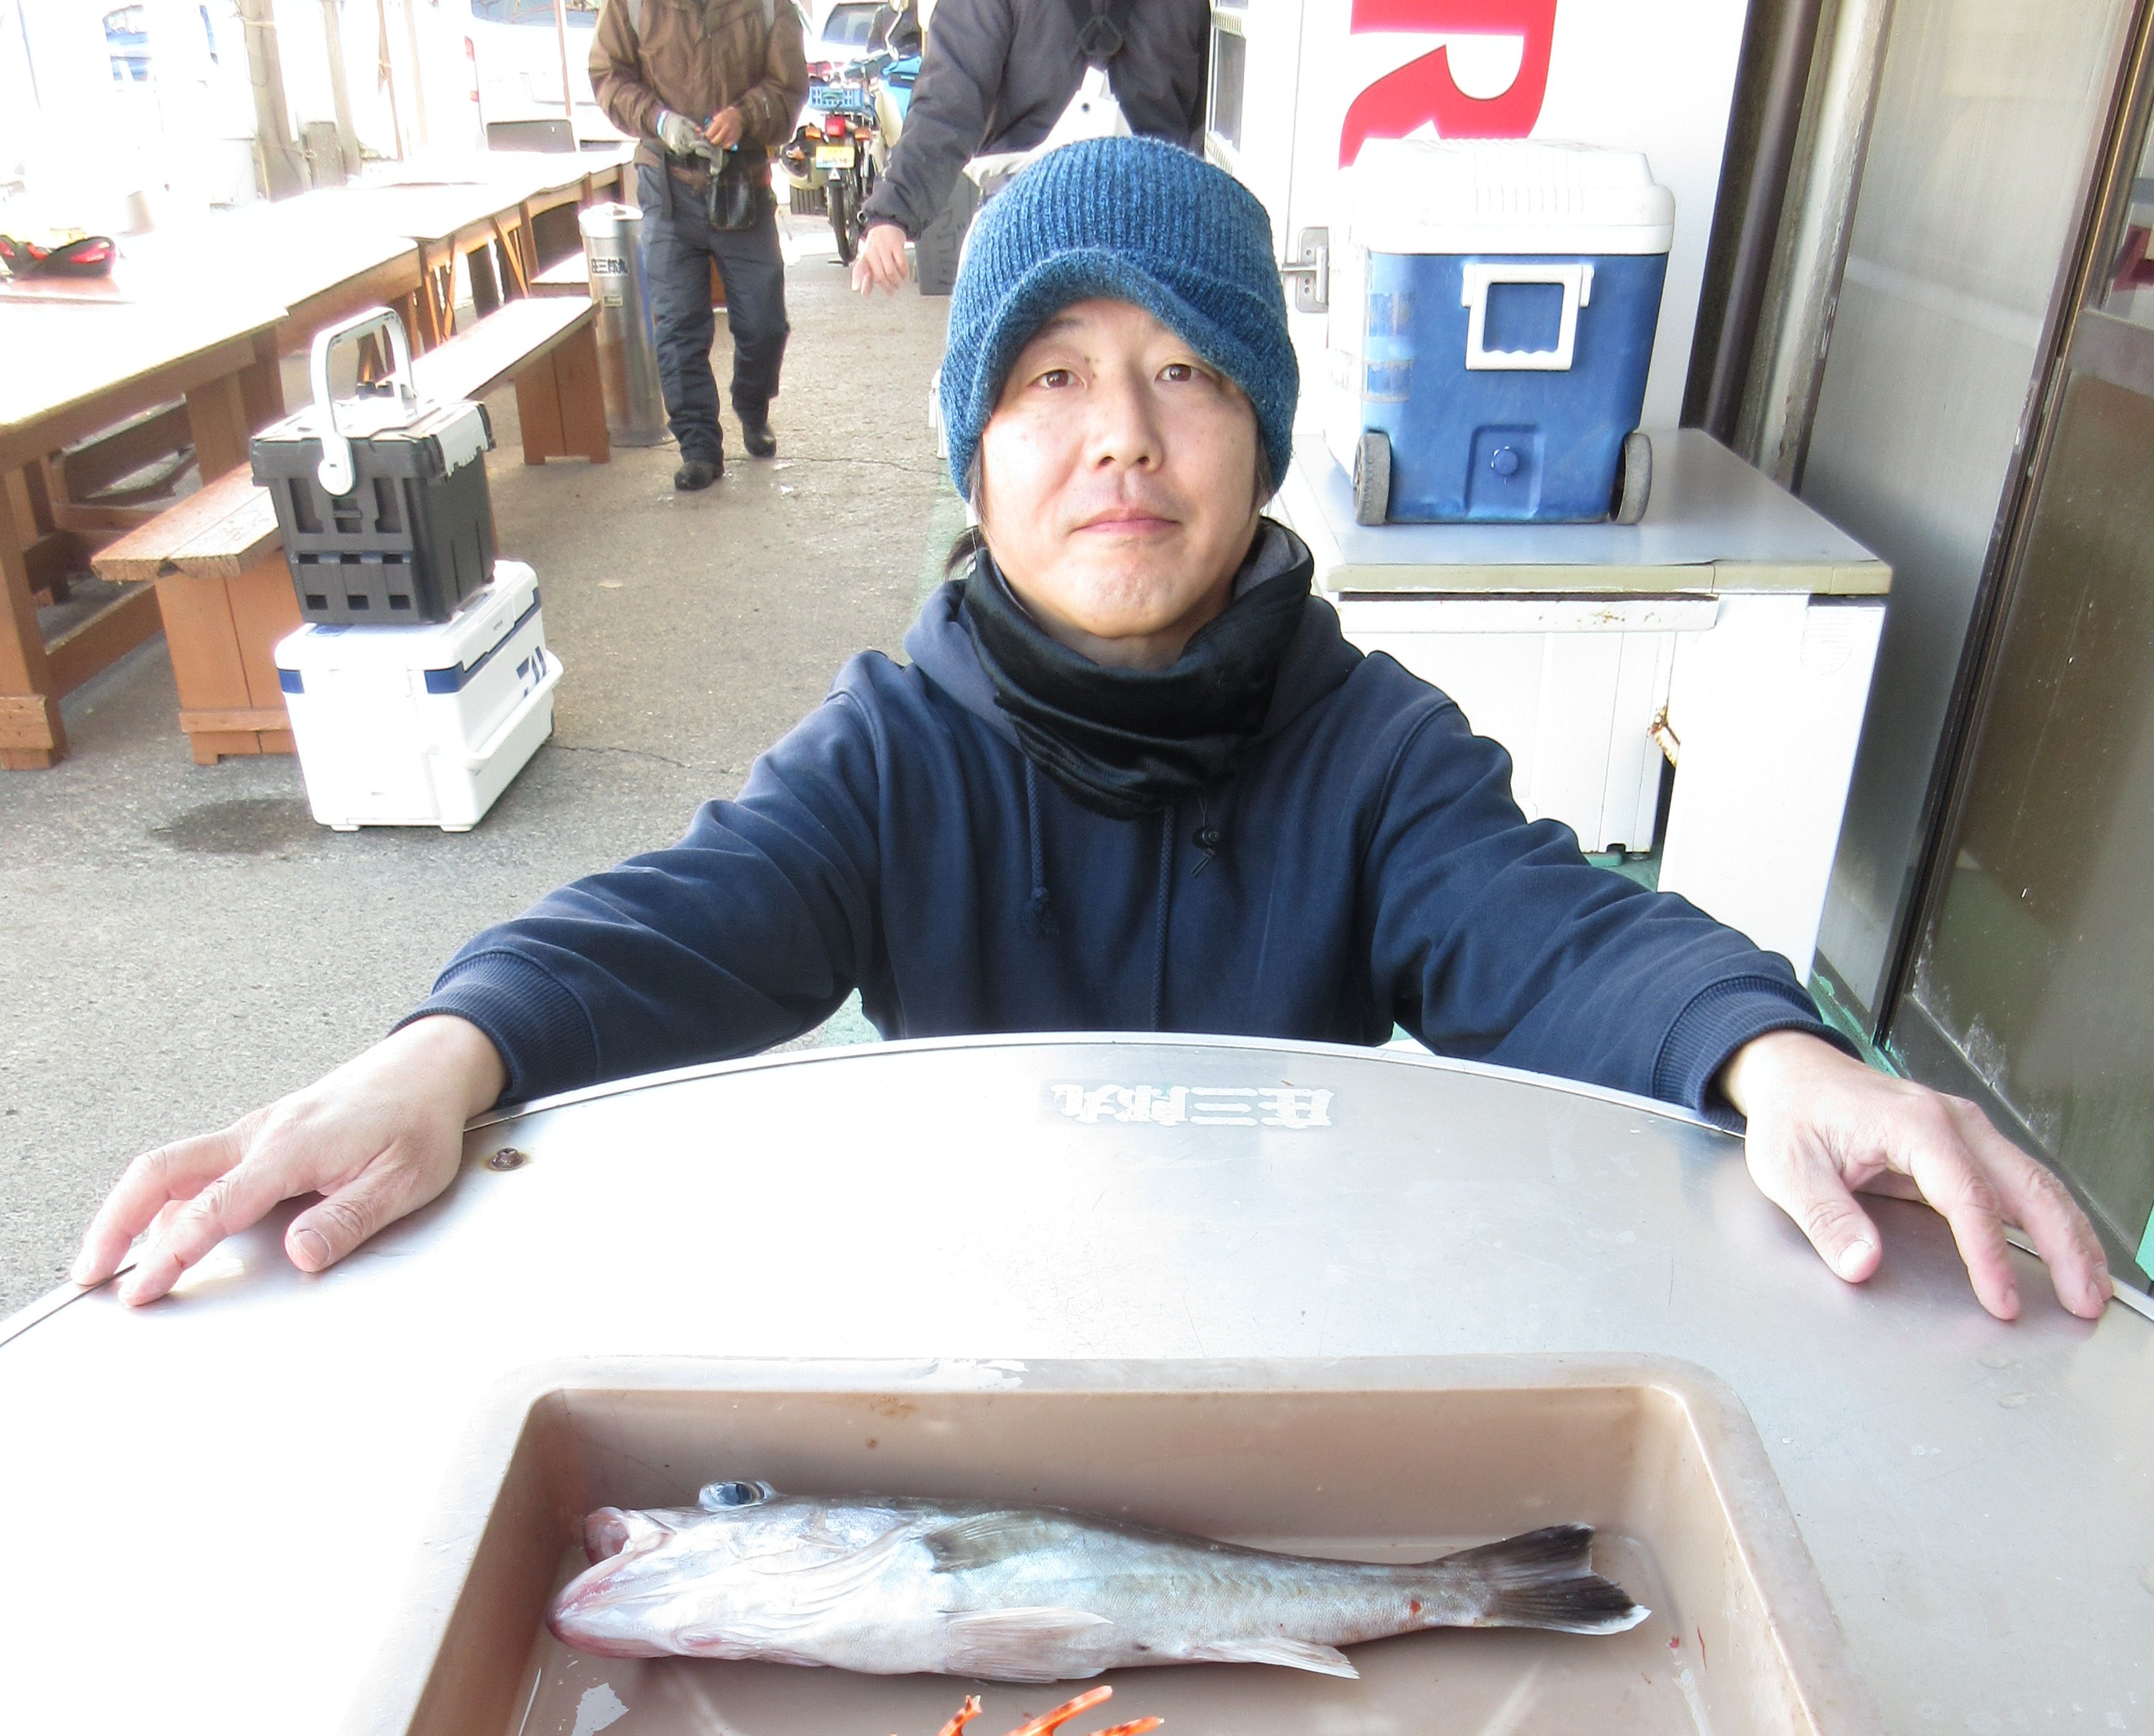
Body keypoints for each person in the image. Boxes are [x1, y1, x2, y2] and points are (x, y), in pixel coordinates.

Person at [74, 140, 2109, 1327]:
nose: (1120, 434)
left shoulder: (1376, 751)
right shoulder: (892, 752)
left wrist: (1770, 1055)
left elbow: (1552, 924)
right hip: (973, 1328)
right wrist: (437, 1058)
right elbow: (691, 907)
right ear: (972, 456)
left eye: (1187, 369)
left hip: (1293, 1328)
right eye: (1049, 375)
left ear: (1262, 437)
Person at [588, 0, 808, 486]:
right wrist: (659, 120)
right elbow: (608, 75)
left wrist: (745, 116)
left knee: (765, 323)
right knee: (678, 327)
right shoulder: (631, 5)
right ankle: (699, 447)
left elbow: (789, 86)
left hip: (742, 184)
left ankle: (752, 405)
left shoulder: (769, 5)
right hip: (666, 185)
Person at [851, 0, 1207, 298]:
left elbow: (947, 104)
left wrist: (892, 213)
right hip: (1157, 237)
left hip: (1022, 231)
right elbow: (1209, 124)